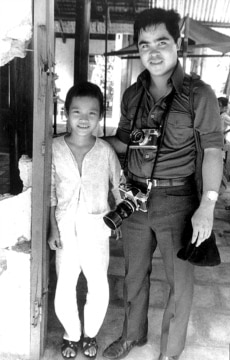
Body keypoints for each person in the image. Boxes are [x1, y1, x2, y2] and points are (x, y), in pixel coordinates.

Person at [102, 8, 223, 360]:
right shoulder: (132, 95)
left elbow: (213, 150)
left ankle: (170, 352)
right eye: (144, 45)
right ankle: (132, 336)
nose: (153, 52)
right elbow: (124, 143)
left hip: (178, 201)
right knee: (133, 275)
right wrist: (81, 139)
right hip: (137, 199)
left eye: (161, 42)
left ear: (177, 43)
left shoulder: (199, 94)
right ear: (137, 50)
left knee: (180, 282)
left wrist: (208, 206)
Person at [48, 81, 121, 359]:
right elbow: (50, 193)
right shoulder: (53, 148)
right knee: (65, 284)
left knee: (98, 285)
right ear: (66, 113)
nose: (84, 119)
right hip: (65, 229)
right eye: (77, 111)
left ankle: (90, 334)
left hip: (97, 231)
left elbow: (119, 188)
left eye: (92, 113)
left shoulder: (105, 151)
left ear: (100, 117)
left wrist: (117, 220)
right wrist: (52, 228)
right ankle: (71, 335)